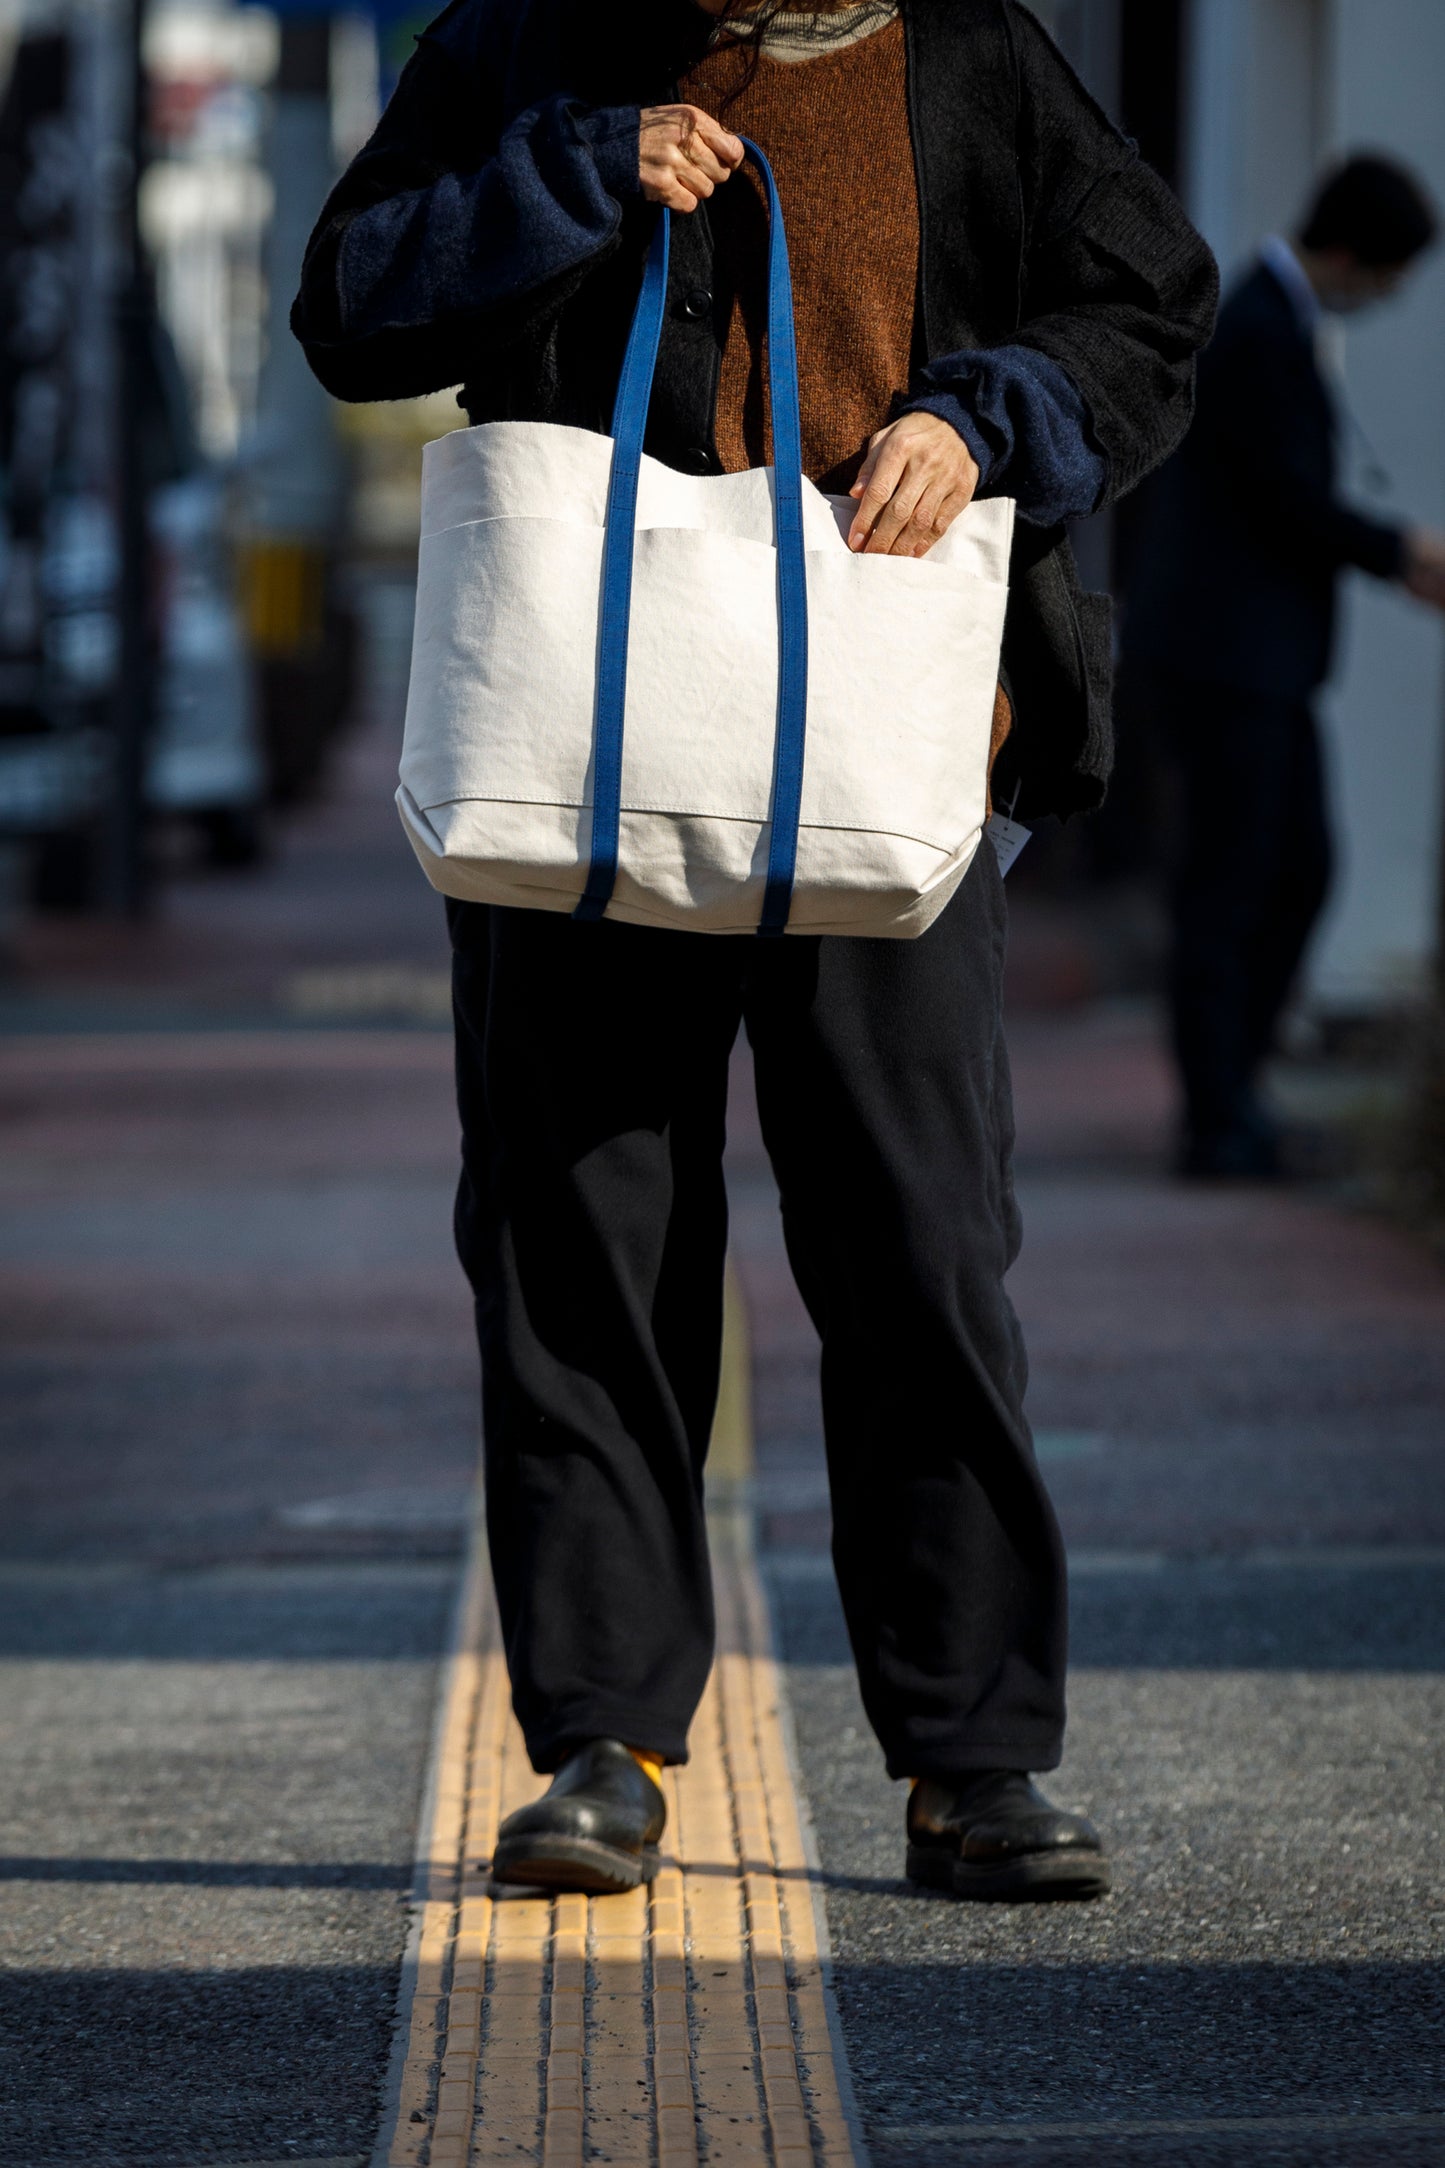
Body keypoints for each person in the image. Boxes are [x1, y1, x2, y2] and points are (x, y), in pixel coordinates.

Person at [293, 0, 1216, 1901]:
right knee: (581, 1243)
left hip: (887, 740)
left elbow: (1152, 310)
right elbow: (353, 307)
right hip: (583, 755)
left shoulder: (967, 51)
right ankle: (603, 1742)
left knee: (924, 1244)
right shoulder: (527, 43)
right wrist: (568, 175)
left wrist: (986, 420)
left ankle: (976, 1753)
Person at [1124, 154, 1445, 1181]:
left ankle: (1235, 1097)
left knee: (1285, 871)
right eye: (1389, 275)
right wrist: (1400, 552)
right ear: (1353, 251)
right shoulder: (1257, 326)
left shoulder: (1268, 317)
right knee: (1236, 885)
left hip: (1251, 663)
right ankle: (1219, 1121)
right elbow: (1285, 498)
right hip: (1230, 665)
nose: (1386, 297)